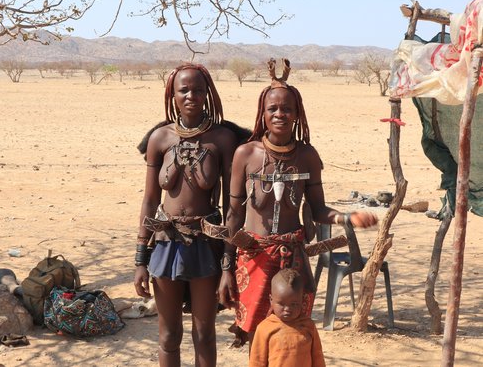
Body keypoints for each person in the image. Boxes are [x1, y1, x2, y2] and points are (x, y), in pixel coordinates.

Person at [218, 58, 378, 347]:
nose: (280, 113)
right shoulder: (245, 154)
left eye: (287, 108)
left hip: (293, 260)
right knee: (257, 336)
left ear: (297, 113)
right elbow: (233, 215)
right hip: (253, 257)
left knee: (291, 337)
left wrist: (347, 218)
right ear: (262, 114)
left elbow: (318, 210)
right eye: (273, 108)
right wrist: (226, 267)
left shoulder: (307, 156)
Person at [133, 63, 240, 367]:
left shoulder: (222, 139)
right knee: (168, 335)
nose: (191, 95)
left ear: (208, 94)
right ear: (173, 94)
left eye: (198, 89)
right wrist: (140, 258)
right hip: (166, 243)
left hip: (205, 243)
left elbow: (234, 206)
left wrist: (228, 261)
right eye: (184, 90)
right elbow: (150, 199)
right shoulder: (159, 138)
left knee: (205, 333)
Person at [249, 268, 326, 367]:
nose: (287, 309)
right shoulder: (264, 329)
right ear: (271, 300)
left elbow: (318, 358)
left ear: (302, 301)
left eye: (294, 304)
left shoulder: (308, 326)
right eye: (281, 304)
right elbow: (257, 361)